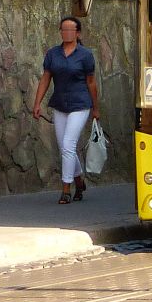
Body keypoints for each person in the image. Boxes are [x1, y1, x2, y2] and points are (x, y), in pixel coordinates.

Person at [32, 17, 99, 204]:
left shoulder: (85, 55)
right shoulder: (53, 54)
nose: (66, 33)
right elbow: (45, 78)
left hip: (80, 104)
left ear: (78, 33)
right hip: (60, 104)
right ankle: (79, 181)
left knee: (68, 145)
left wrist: (96, 108)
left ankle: (66, 189)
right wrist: (37, 103)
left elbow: (91, 82)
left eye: (70, 30)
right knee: (65, 148)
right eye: (63, 29)